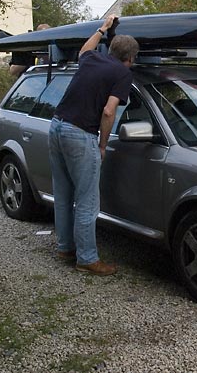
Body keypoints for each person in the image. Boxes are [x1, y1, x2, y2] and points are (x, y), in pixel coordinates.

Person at [48, 14, 138, 276]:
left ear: (110, 50)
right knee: (87, 200)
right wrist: (102, 145)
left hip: (56, 126)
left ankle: (65, 248)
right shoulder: (123, 73)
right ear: (131, 58)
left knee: (63, 194)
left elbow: (85, 49)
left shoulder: (91, 59)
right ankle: (87, 259)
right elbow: (109, 112)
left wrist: (103, 28)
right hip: (79, 134)